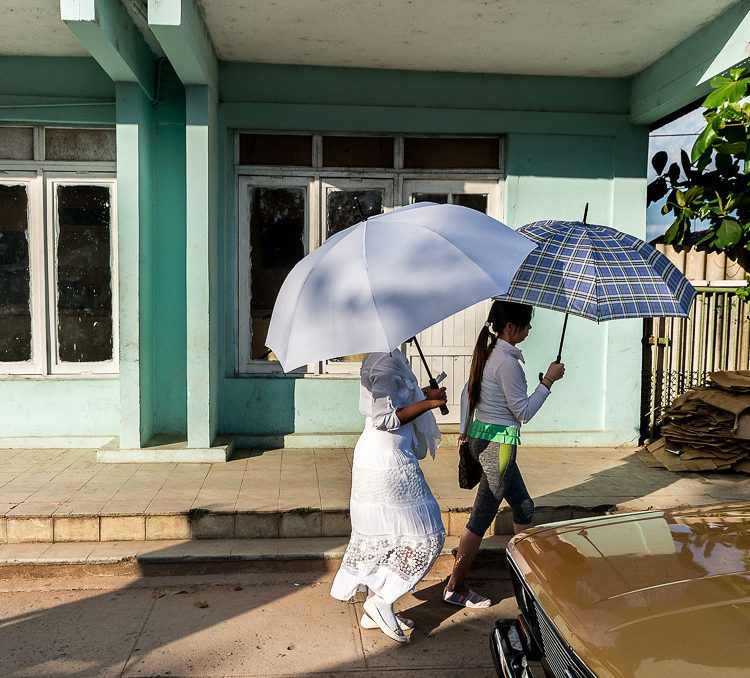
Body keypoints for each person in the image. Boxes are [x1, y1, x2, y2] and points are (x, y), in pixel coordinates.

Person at [443, 300, 565, 608]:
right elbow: (523, 412)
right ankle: (454, 586)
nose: (530, 329)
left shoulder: (489, 351)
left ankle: (533, 578)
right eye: (526, 325)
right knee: (482, 516)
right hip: (498, 448)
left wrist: (464, 429)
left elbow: (465, 392)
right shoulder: (507, 362)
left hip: (482, 439)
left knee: (524, 506)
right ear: (510, 327)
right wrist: (548, 382)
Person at [330, 347, 447, 643]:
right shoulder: (383, 360)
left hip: (388, 456)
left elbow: (394, 400)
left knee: (390, 538)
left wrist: (423, 394)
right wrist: (428, 404)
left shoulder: (389, 354)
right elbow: (384, 418)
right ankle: (381, 601)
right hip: (385, 462)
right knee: (429, 534)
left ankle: (375, 612)